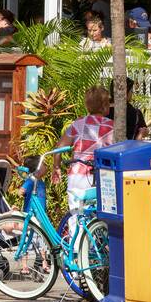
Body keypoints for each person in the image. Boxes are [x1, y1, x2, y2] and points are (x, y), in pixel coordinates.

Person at [53, 86, 114, 214]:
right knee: (99, 217)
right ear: (104, 105)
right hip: (103, 177)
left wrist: (56, 167)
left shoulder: (78, 124)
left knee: (77, 215)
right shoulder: (112, 126)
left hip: (77, 177)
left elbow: (59, 148)